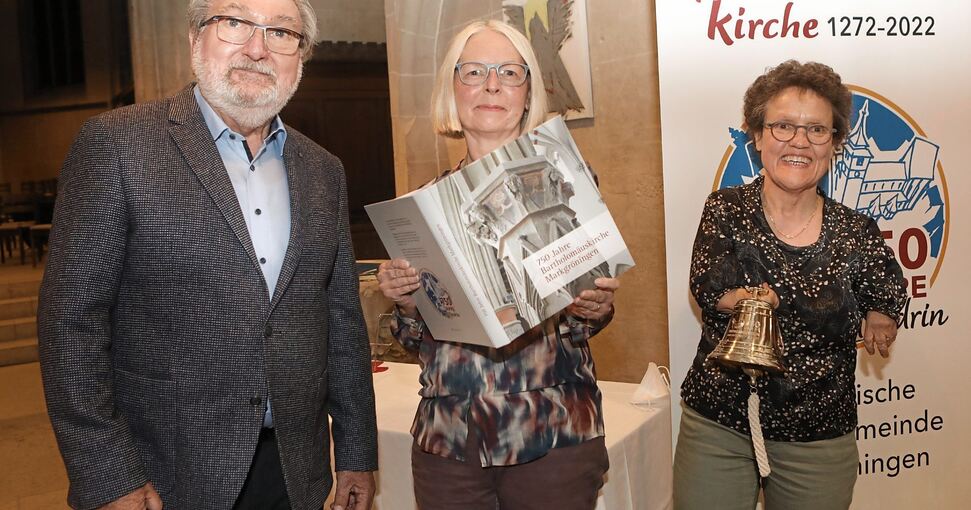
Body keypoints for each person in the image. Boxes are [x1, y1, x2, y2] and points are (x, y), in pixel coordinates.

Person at [37, 1, 377, 509]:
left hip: (296, 471)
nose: (257, 48)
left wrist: (355, 450)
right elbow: (71, 325)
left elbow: (341, 322)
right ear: (196, 38)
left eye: (281, 32)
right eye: (235, 22)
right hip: (166, 476)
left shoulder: (323, 169)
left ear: (300, 57)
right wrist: (109, 476)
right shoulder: (118, 145)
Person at [376, 20, 620, 510]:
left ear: (528, 92)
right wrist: (405, 300)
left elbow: (585, 321)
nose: (491, 85)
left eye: (510, 72)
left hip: (552, 437)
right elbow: (420, 341)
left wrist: (590, 308)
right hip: (450, 442)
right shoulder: (424, 207)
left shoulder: (567, 179)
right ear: (453, 89)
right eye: (474, 72)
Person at [673, 60, 907, 510]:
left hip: (818, 435)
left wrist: (878, 312)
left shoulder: (856, 229)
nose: (799, 141)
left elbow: (887, 288)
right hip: (719, 424)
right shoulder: (725, 209)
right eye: (782, 126)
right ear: (757, 136)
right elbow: (709, 285)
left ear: (835, 143)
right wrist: (792, 303)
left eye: (817, 130)